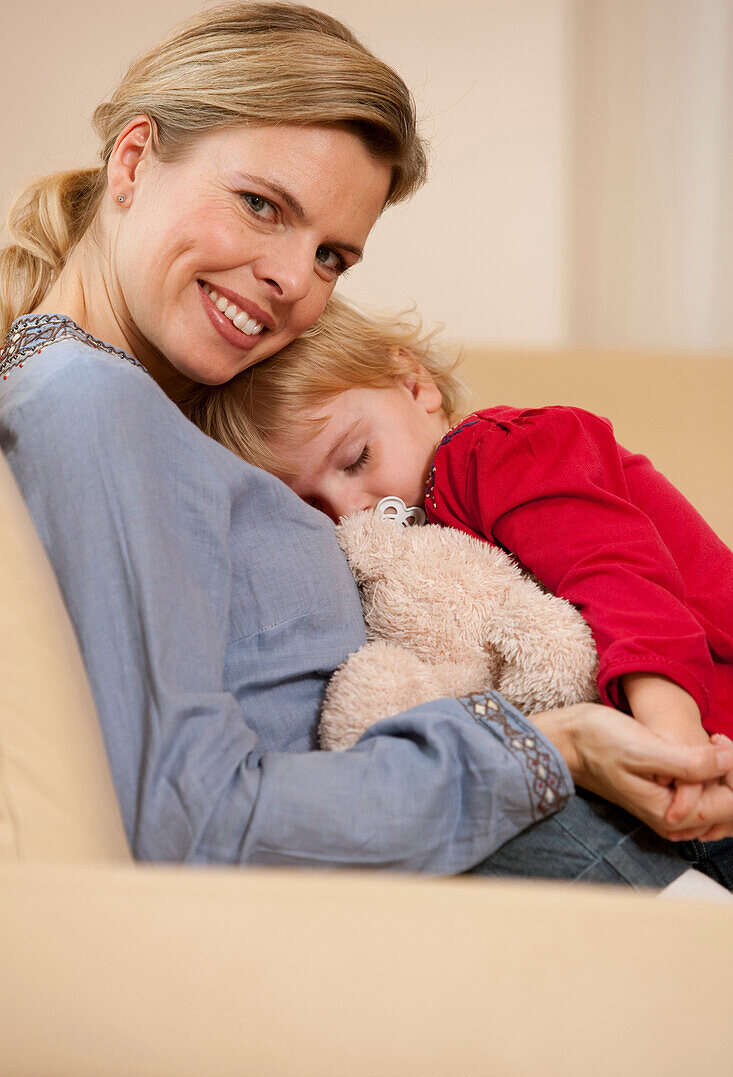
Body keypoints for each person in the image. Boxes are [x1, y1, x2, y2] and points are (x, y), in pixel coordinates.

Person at [2, 3, 733, 888]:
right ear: (133, 158)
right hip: (507, 863)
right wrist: (549, 745)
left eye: (331, 258)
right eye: (260, 204)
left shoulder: (167, 411)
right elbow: (189, 816)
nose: (289, 280)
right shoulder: (88, 400)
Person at [177, 294, 733, 884]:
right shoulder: (408, 555)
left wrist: (674, 738)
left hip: (705, 734)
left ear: (416, 385)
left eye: (357, 458)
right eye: (312, 508)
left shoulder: (499, 449)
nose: (354, 511)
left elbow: (619, 574)